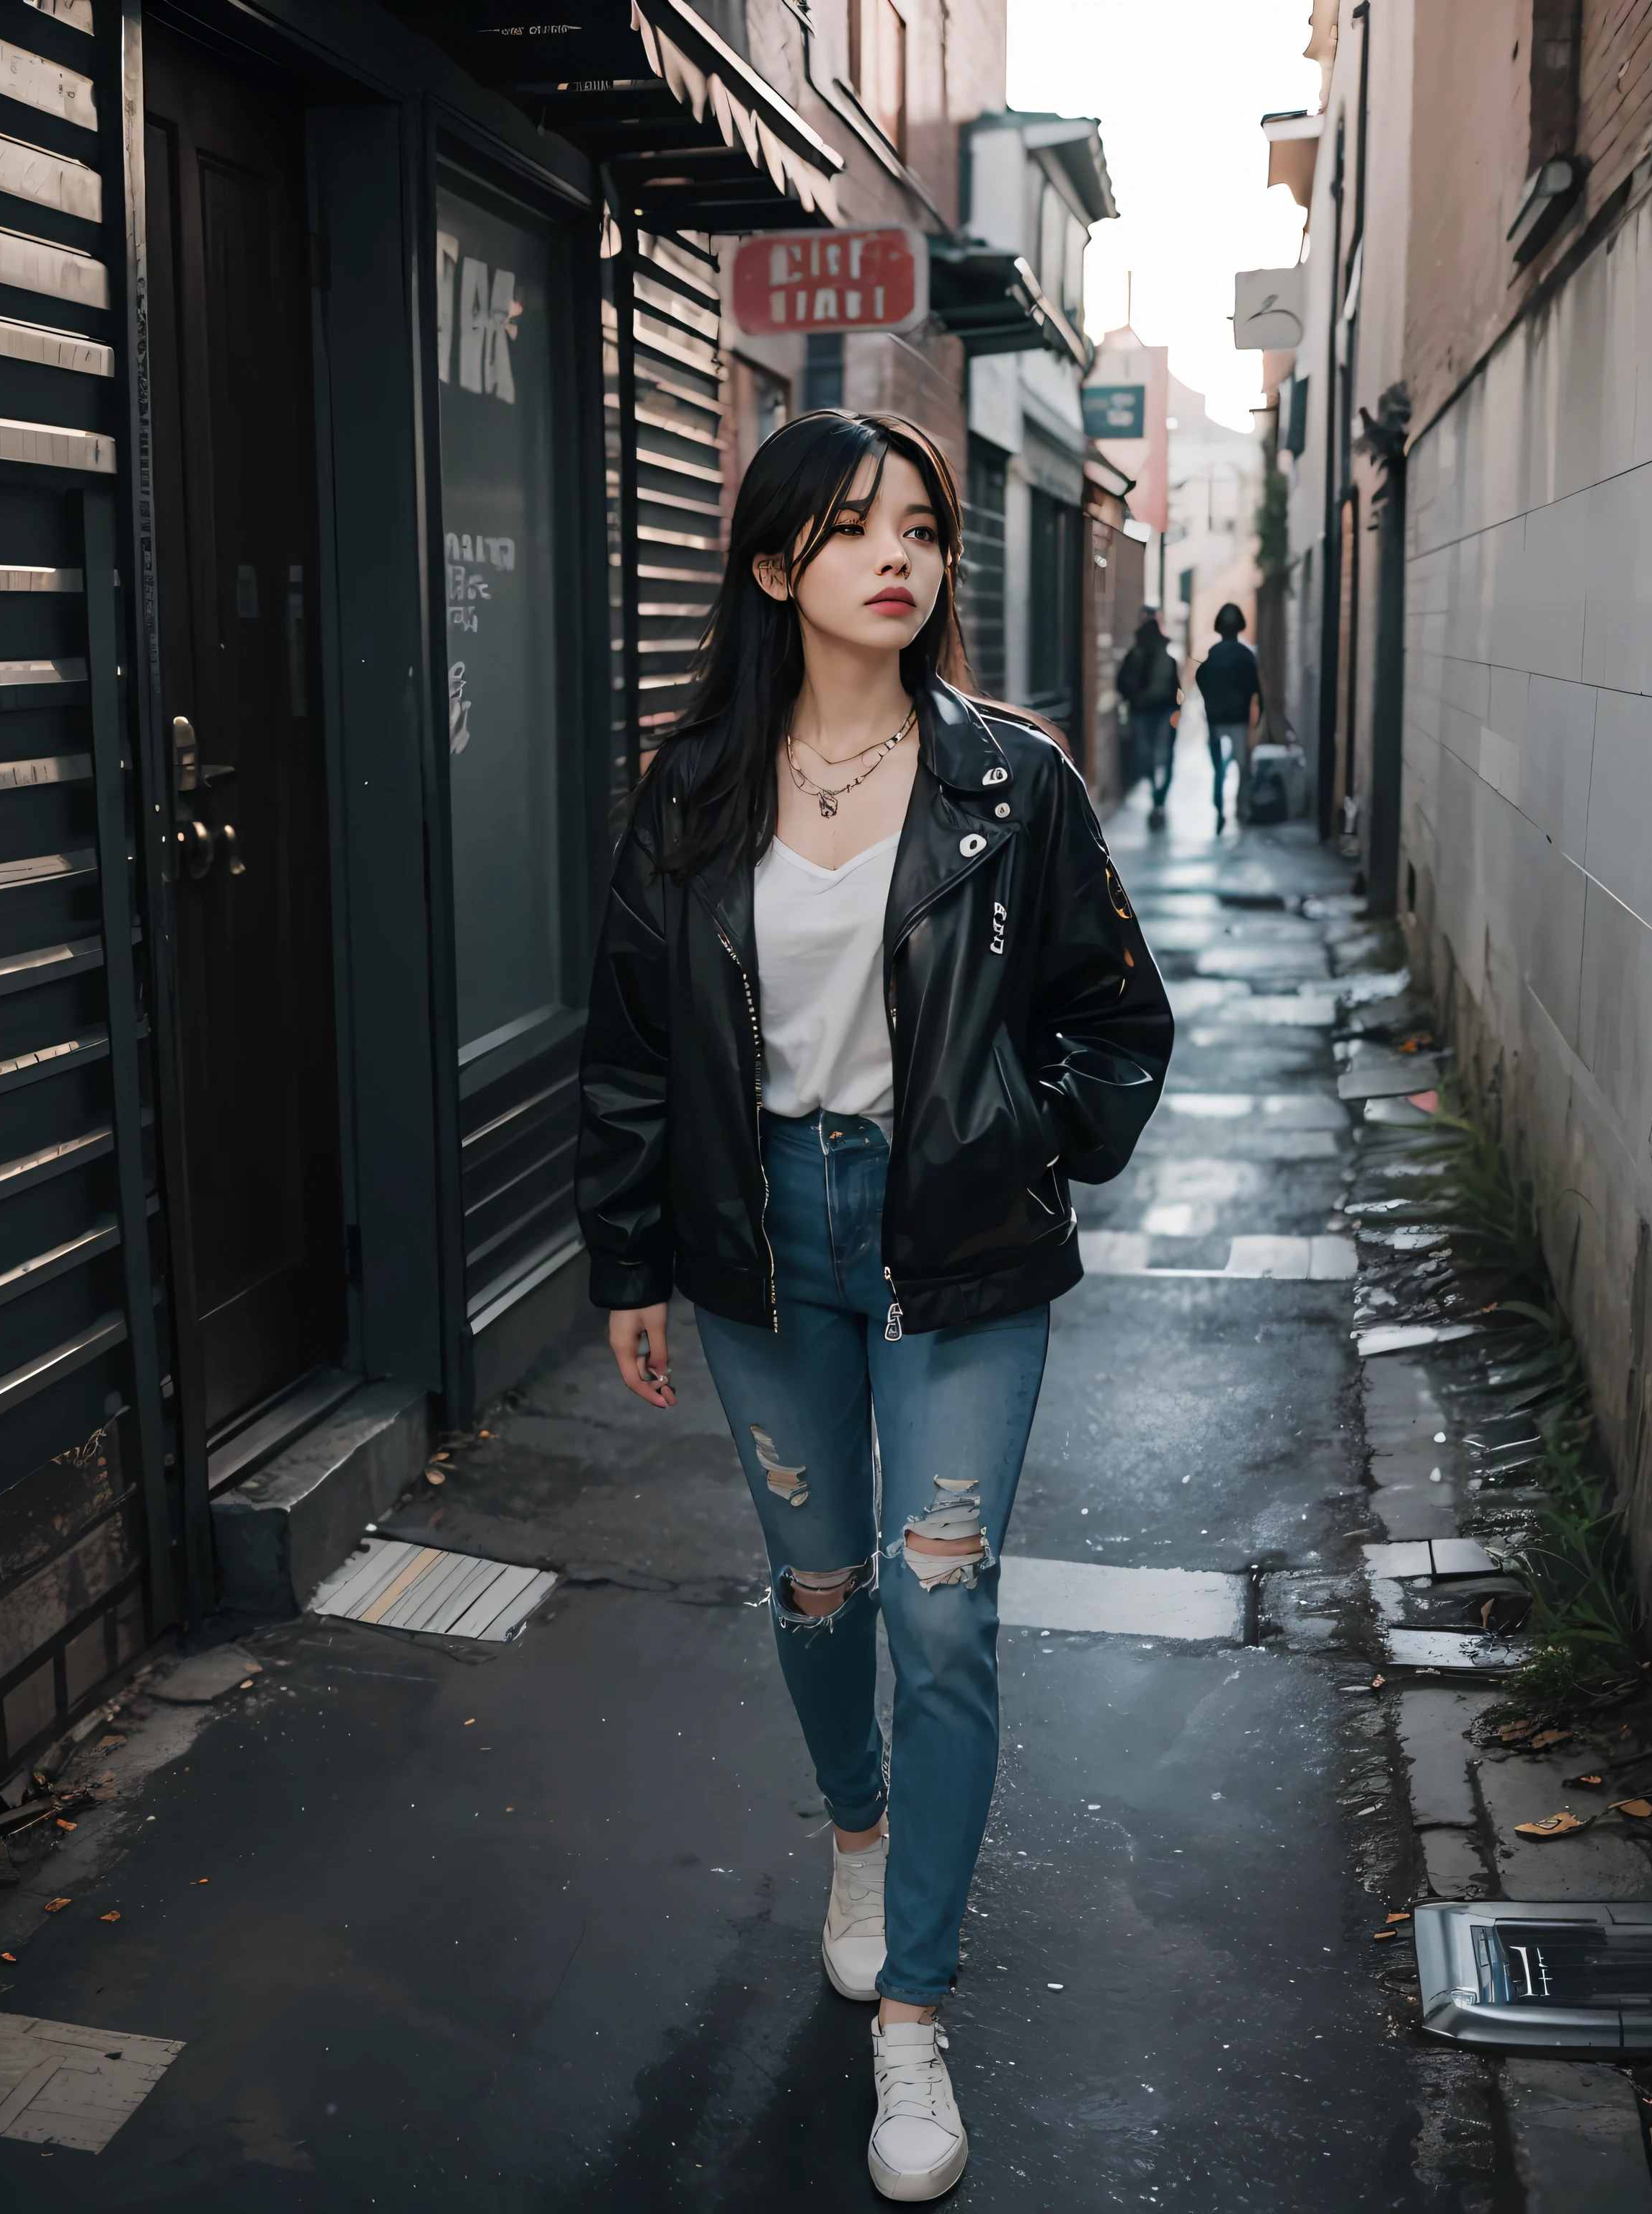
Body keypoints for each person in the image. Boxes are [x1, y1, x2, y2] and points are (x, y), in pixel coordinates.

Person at [577, 411, 1173, 2202]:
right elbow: (625, 1051)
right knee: (817, 1585)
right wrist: (627, 1259)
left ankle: (911, 2012)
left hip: (955, 1251)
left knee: (938, 1609)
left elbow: (1113, 1018)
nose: (897, 556)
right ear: (775, 568)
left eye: (917, 526)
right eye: (851, 531)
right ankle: (857, 1825)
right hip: (762, 1234)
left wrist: (1017, 1140)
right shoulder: (688, 792)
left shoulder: (1012, 782)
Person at [1193, 601, 1262, 831]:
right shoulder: (1246, 655)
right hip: (1239, 719)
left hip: (1216, 719)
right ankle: (1241, 808)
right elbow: (1255, 687)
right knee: (1242, 765)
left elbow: (1201, 679)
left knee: (1218, 768)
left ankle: (1219, 808)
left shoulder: (1213, 656)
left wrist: (1210, 705)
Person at [1115, 611, 1181, 828]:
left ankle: (1158, 797)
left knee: (1158, 756)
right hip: (1148, 713)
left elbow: (1174, 690)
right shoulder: (1137, 660)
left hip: (1159, 714)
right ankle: (1157, 796)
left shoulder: (1162, 661)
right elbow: (1122, 685)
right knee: (1151, 756)